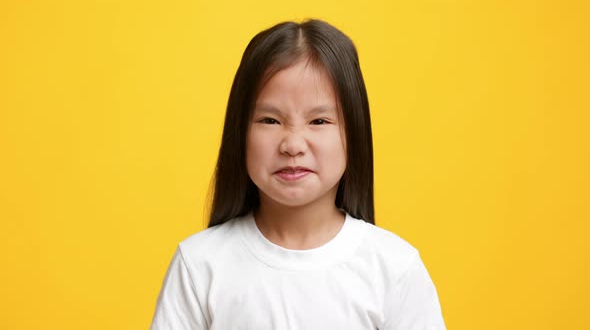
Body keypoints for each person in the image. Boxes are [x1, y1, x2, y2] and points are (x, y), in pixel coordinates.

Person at [150, 19, 446, 329]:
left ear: (354, 133)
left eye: (319, 121)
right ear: (239, 132)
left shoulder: (394, 268)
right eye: (270, 120)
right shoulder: (200, 264)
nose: (292, 145)